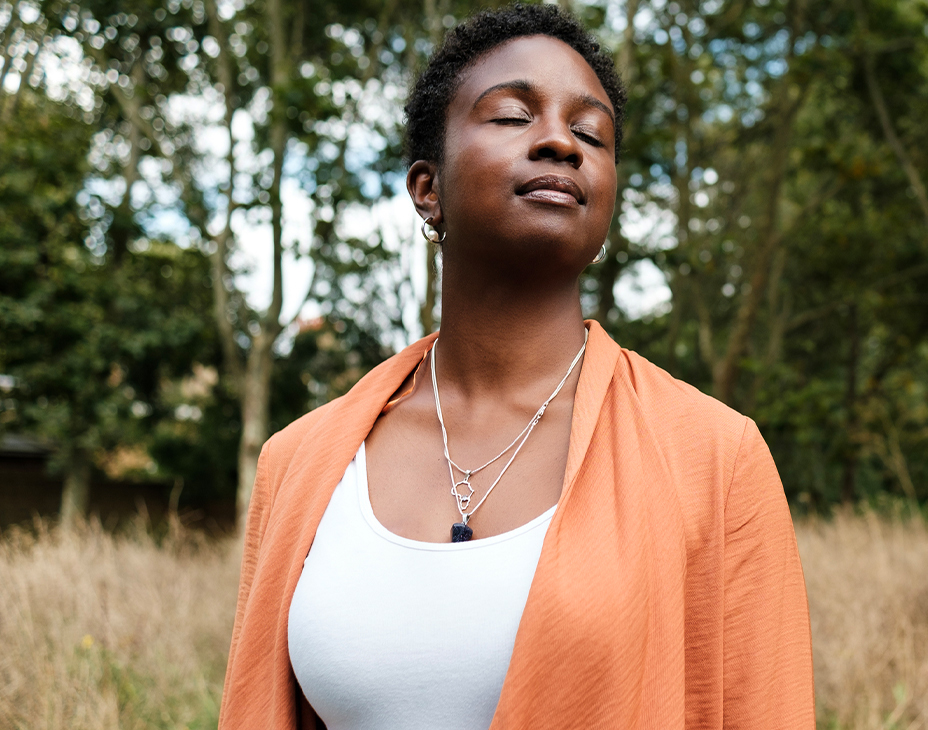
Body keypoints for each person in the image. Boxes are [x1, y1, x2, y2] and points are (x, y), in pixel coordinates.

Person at [218, 5, 814, 729]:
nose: (561, 142)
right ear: (427, 189)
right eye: (511, 117)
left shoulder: (715, 459)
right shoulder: (300, 464)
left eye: (591, 133)